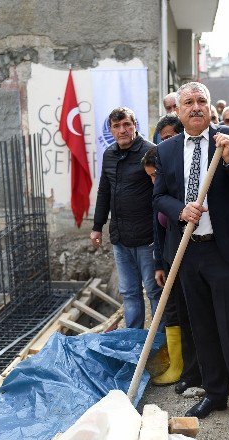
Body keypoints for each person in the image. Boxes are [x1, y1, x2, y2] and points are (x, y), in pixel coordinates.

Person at [153, 81, 229, 434]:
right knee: (201, 328)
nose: (196, 107)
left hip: (223, 250)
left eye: (202, 101)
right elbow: (158, 199)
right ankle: (216, 392)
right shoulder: (167, 150)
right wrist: (180, 210)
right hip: (187, 252)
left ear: (210, 107)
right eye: (189, 102)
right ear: (178, 111)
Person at [91, 107, 161, 329]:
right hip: (120, 237)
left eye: (126, 125)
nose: (122, 130)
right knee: (129, 293)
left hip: (146, 239)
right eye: (117, 126)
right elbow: (104, 192)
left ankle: (159, 343)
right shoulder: (109, 154)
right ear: (111, 130)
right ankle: (132, 343)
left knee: (153, 291)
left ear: (135, 125)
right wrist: (97, 226)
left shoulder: (151, 153)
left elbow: (161, 194)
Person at [142, 143, 202, 389]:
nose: (154, 181)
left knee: (192, 315)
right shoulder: (161, 197)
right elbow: (158, 228)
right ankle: (179, 366)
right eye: (150, 177)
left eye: (156, 175)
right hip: (170, 257)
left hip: (190, 257)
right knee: (174, 312)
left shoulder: (185, 195)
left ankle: (194, 369)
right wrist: (159, 263)